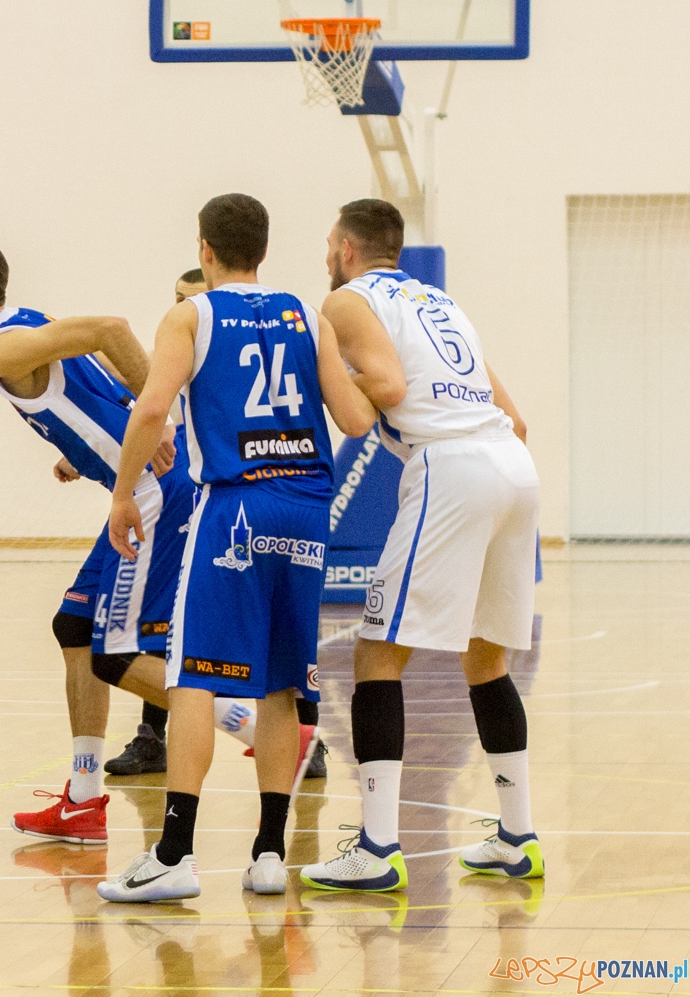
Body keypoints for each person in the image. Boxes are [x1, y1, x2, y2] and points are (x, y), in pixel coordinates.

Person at [96, 194, 377, 902]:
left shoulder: (191, 315)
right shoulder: (307, 314)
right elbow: (353, 418)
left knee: (192, 675)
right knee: (282, 683)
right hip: (307, 511)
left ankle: (174, 853)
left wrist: (123, 492)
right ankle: (270, 854)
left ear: (205, 250)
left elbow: (152, 408)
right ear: (264, 249)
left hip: (236, 510)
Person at [301, 198, 542, 891]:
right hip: (512, 466)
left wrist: (324, 372)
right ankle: (518, 836)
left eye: (328, 242)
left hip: (451, 466)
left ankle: (377, 847)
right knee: (486, 658)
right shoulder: (442, 304)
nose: (326, 253)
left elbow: (386, 386)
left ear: (347, 248)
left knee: (376, 651)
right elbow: (517, 418)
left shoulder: (346, 301)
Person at [0, 235, 181, 843]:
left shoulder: (1, 349)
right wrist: (88, 449)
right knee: (74, 626)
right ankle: (84, 800)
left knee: (116, 654)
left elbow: (110, 329)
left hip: (155, 492)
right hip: (139, 483)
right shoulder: (27, 321)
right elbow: (92, 384)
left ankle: (263, 725)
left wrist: (162, 417)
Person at [105, 270, 329, 782]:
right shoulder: (187, 341)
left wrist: (121, 490)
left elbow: (152, 409)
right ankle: (155, 736)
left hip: (230, 495)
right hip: (266, 498)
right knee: (179, 625)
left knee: (217, 651)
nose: (183, 305)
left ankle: (298, 736)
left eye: (191, 297)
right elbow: (136, 384)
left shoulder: (208, 328)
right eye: (177, 298)